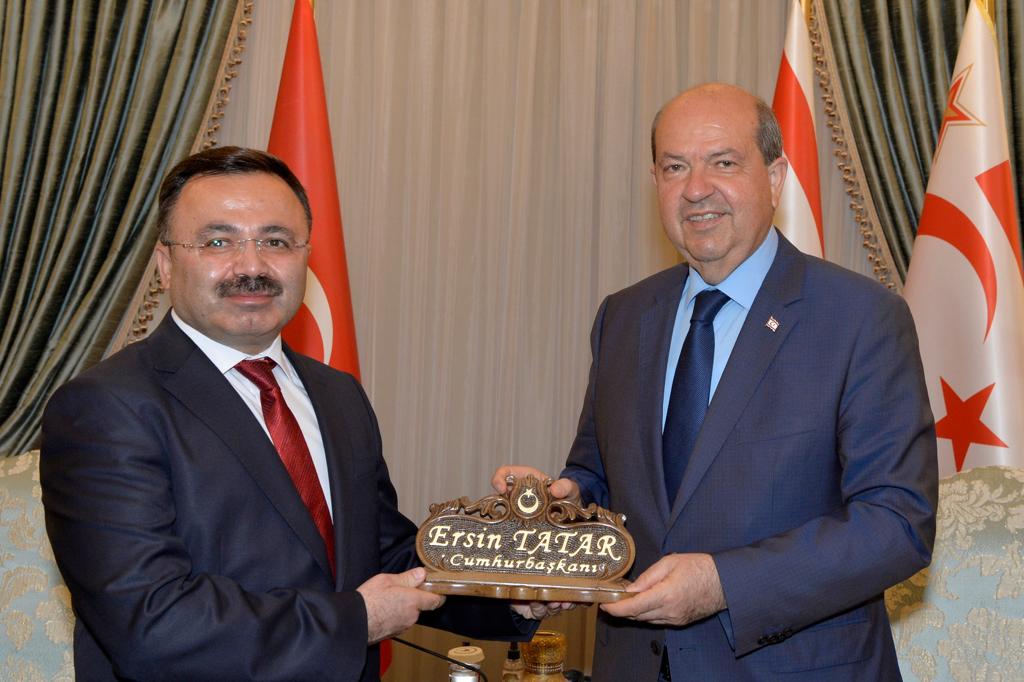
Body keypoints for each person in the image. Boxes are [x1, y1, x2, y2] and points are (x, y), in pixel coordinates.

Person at [493, 83, 937, 681]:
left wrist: (724, 583)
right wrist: (561, 511)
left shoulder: (860, 318)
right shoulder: (623, 316)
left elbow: (897, 523)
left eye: (723, 163)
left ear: (775, 178)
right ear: (655, 182)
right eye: (675, 167)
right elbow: (600, 476)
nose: (696, 188)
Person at [41, 146, 532, 681]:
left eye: (275, 241)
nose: (252, 266)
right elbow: (150, 621)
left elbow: (385, 555)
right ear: (165, 264)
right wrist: (354, 620)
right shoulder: (103, 407)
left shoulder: (338, 395)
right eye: (218, 241)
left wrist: (521, 585)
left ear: (305, 258)